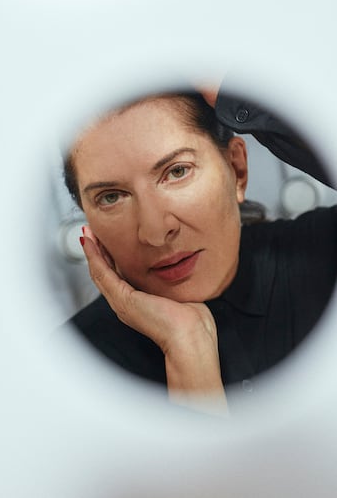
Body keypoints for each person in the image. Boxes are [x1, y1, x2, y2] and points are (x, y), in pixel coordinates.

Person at [62, 83, 337, 416]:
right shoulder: (68, 369)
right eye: (111, 197)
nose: (156, 232)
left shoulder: (323, 251)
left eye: (177, 172)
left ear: (237, 170)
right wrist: (186, 348)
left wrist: (231, 88)